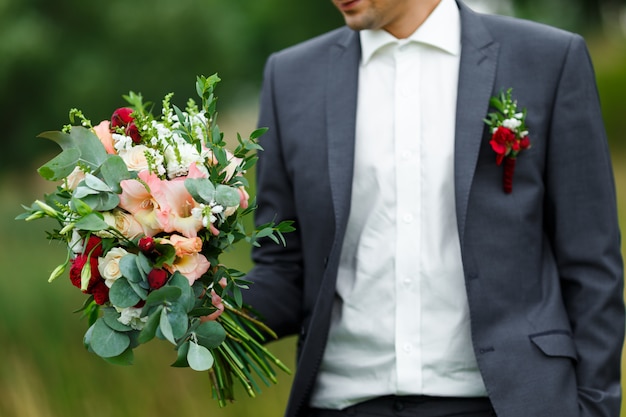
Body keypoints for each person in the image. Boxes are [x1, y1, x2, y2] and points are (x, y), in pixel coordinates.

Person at [245, 0, 625, 416]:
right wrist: (191, 292)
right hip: (343, 403)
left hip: (504, 402)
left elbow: (591, 265)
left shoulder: (549, 59)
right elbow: (283, 269)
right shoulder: (290, 77)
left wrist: (594, 409)